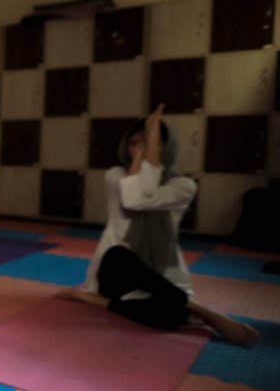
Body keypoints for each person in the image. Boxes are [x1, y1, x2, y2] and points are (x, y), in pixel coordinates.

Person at [57, 104, 259, 346]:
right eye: (134, 143)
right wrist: (146, 153)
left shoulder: (183, 185)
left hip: (160, 274)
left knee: (170, 316)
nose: (141, 149)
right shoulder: (115, 175)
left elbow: (145, 195)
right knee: (120, 255)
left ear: (167, 146)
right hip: (117, 270)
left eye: (152, 143)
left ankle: (99, 301)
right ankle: (202, 310)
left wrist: (148, 150)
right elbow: (134, 199)